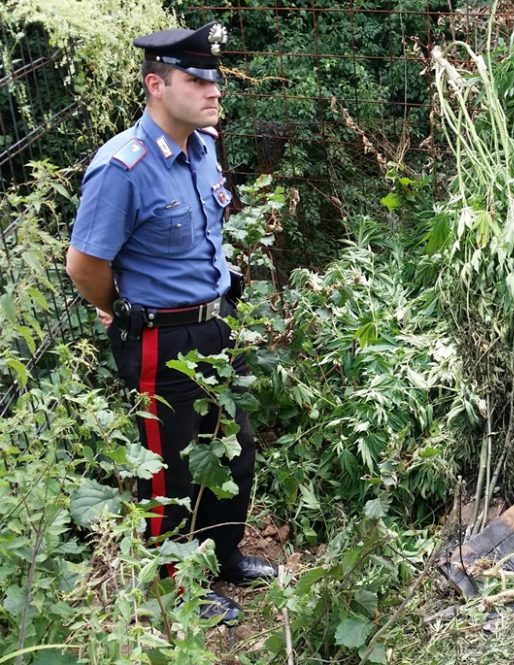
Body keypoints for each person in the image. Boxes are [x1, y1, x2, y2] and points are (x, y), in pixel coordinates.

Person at [66, 21, 277, 624]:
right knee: (172, 471)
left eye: (215, 80)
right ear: (156, 85)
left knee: (231, 451)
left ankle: (222, 555)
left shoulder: (203, 146)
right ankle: (174, 586)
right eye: (196, 80)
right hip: (161, 338)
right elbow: (84, 265)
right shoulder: (122, 168)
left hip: (217, 325)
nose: (214, 92)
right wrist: (120, 305)